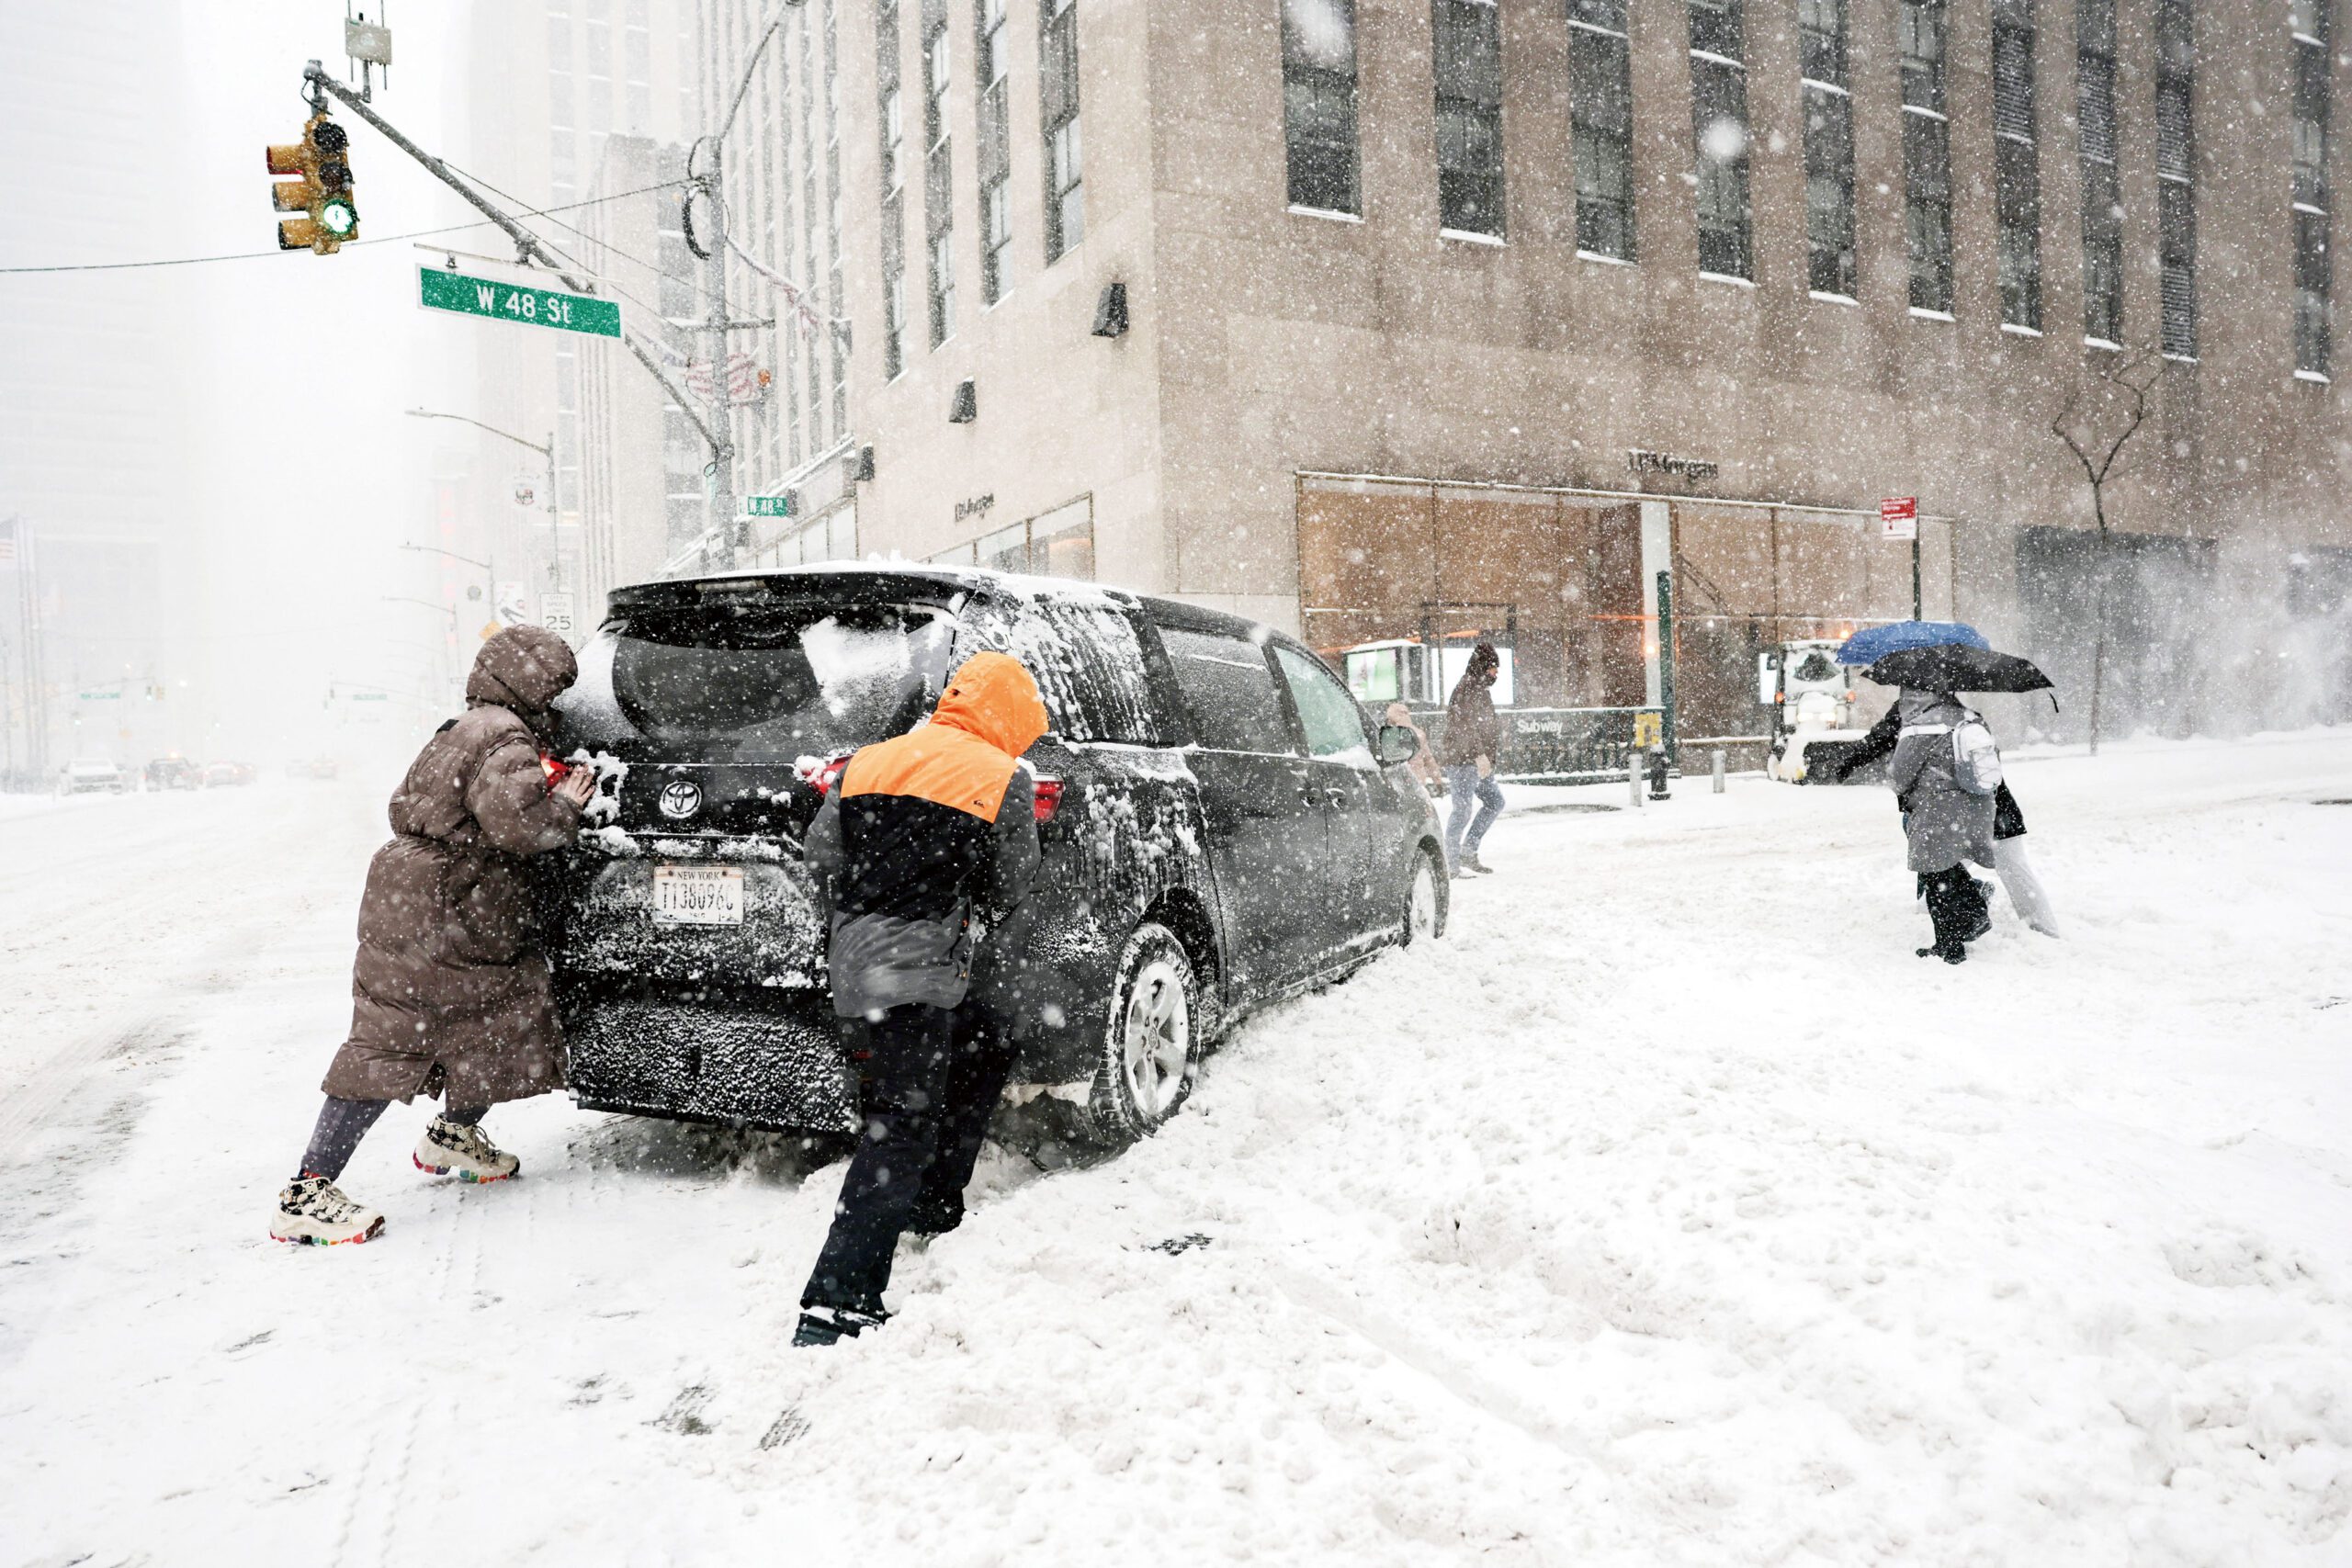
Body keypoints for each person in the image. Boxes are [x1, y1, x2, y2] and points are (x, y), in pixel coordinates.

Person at [271, 626, 597, 1246]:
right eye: (552, 688)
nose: (556, 701)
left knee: (507, 1019)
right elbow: (519, 824)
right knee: (393, 1042)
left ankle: (453, 1135)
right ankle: (306, 1190)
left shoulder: (473, 725)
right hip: (445, 906)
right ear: (529, 682)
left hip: (438, 898)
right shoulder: (503, 733)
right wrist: (568, 804)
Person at [793, 651, 1049, 1348]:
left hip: (857, 964)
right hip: (922, 968)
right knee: (896, 1125)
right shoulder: (1004, 780)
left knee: (984, 1043)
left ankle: (933, 1202)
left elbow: (822, 857)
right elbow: (1009, 885)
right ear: (1011, 719)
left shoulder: (870, 761)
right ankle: (836, 1301)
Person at [1831, 705, 2059, 937]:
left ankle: (2042, 931)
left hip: (1977, 812)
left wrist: (1849, 761)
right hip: (1963, 814)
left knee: (2011, 867)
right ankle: (1977, 897)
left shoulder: (1919, 715)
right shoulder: (1961, 714)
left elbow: (1887, 750)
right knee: (1934, 894)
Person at [1881, 687, 1998, 964]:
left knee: (1935, 876)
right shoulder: (1972, 719)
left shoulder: (1920, 727)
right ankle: (1969, 917)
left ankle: (1953, 942)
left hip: (1938, 808)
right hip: (1976, 805)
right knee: (1946, 869)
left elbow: (1899, 777)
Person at [1438, 642, 1505, 875]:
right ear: (1484, 666)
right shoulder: (1467, 688)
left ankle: (1467, 852)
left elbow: (1484, 727)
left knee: (1495, 802)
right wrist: (1479, 755)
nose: (1497, 673)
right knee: (1462, 811)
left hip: (1478, 760)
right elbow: (1464, 725)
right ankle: (1451, 864)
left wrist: (1486, 757)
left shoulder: (1479, 689)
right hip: (1464, 760)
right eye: (1494, 668)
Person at [1384, 700, 1443, 795]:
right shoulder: (1419, 733)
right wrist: (1438, 781)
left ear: (1392, 718)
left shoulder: (1390, 735)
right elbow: (1429, 760)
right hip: (1418, 782)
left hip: (1398, 785)